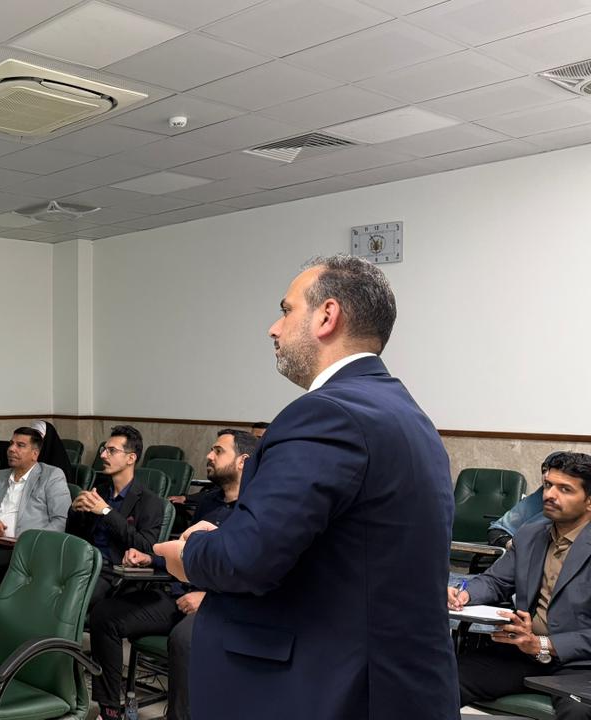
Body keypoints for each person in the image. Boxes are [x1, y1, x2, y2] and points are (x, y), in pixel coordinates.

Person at [156, 255, 459, 720]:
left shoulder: (326, 414)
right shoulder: (405, 413)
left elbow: (247, 559)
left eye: (286, 310)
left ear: (326, 315)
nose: (274, 328)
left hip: (324, 686)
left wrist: (190, 552)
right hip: (388, 682)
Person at [85, 428, 254, 720]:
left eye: (218, 451)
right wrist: (150, 558)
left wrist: (207, 597)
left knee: (183, 639)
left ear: (243, 461)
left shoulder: (256, 510)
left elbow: (251, 570)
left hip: (219, 604)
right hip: (179, 593)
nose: (208, 456)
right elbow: (186, 554)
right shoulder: (207, 502)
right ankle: (110, 710)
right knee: (105, 616)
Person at [451, 452, 591, 720]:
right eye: (548, 485)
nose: (550, 495)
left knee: (578, 711)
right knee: (443, 678)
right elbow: (496, 581)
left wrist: (544, 644)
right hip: (524, 653)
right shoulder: (530, 534)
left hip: (582, 665)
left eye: (565, 489)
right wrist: (464, 594)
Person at [0, 426, 70, 608]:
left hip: (24, 549)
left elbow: (61, 520)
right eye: (11, 444)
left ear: (35, 454)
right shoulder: (2, 475)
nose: (11, 449)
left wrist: (30, 541)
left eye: (20, 445)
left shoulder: (51, 476)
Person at [66, 425, 163, 604]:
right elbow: (76, 536)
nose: (103, 455)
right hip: (82, 564)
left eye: (111, 451)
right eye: (104, 449)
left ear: (131, 458)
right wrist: (75, 510)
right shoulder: (100, 491)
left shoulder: (150, 501)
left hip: (112, 573)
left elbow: (146, 546)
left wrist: (106, 512)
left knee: (68, 599)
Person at [487, 452, 560, 548]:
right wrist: (511, 545)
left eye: (555, 471)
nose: (546, 476)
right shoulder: (537, 498)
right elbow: (496, 531)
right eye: (544, 470)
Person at [32, 419, 76, 483]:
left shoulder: (58, 465)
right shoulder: (33, 452)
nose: (34, 437)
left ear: (48, 436)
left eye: (38, 433)